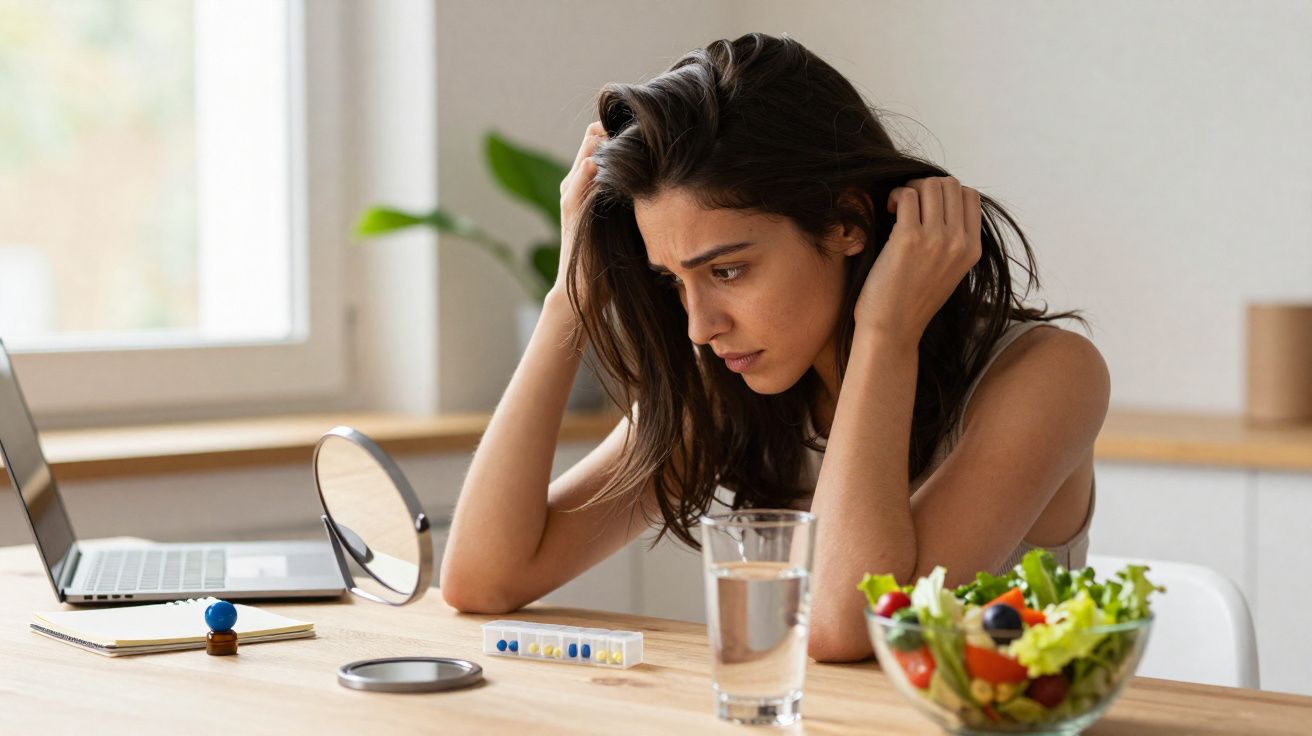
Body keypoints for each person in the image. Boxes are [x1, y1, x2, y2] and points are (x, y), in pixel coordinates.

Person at [440, 32, 1108, 662]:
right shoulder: (724, 390)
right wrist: (569, 302)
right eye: (674, 281)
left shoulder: (1047, 375)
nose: (700, 326)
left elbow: (846, 625)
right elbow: (482, 579)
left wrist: (883, 333)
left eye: (726, 271)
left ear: (846, 222)